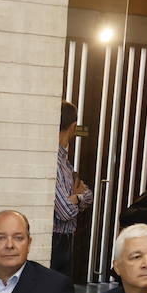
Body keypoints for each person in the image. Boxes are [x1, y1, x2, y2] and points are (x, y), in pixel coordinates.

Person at [53, 101, 93, 277]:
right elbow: (65, 212)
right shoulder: (54, 162)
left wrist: (76, 197)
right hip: (55, 241)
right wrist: (77, 198)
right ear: (73, 127)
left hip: (65, 240)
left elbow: (88, 195)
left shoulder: (64, 162)